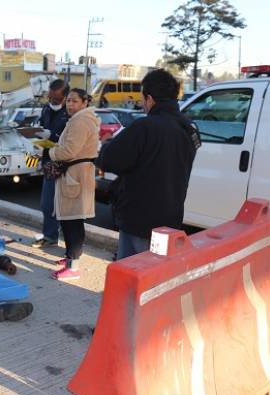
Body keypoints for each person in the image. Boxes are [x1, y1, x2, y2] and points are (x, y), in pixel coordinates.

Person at [96, 69, 200, 260]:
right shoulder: (189, 128)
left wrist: (106, 144)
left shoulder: (144, 127)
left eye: (143, 100)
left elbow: (109, 160)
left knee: (132, 276)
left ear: (150, 99)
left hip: (138, 221)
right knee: (156, 275)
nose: (143, 105)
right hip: (171, 220)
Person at [45, 88, 100, 279]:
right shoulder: (80, 119)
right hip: (76, 173)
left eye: (75, 101)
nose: (70, 104)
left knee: (72, 221)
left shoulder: (81, 120)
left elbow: (69, 150)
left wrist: (51, 152)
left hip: (75, 174)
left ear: (85, 102)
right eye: (68, 101)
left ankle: (73, 266)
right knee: (71, 219)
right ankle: (71, 257)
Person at [31, 79, 69, 249]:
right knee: (47, 204)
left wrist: (51, 135)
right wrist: (36, 133)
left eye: (56, 99)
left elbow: (67, 139)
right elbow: (41, 126)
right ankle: (50, 236)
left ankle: (62, 241)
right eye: (51, 98)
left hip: (64, 162)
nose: (53, 102)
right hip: (48, 161)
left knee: (62, 205)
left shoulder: (70, 113)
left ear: (65, 97)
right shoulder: (46, 109)